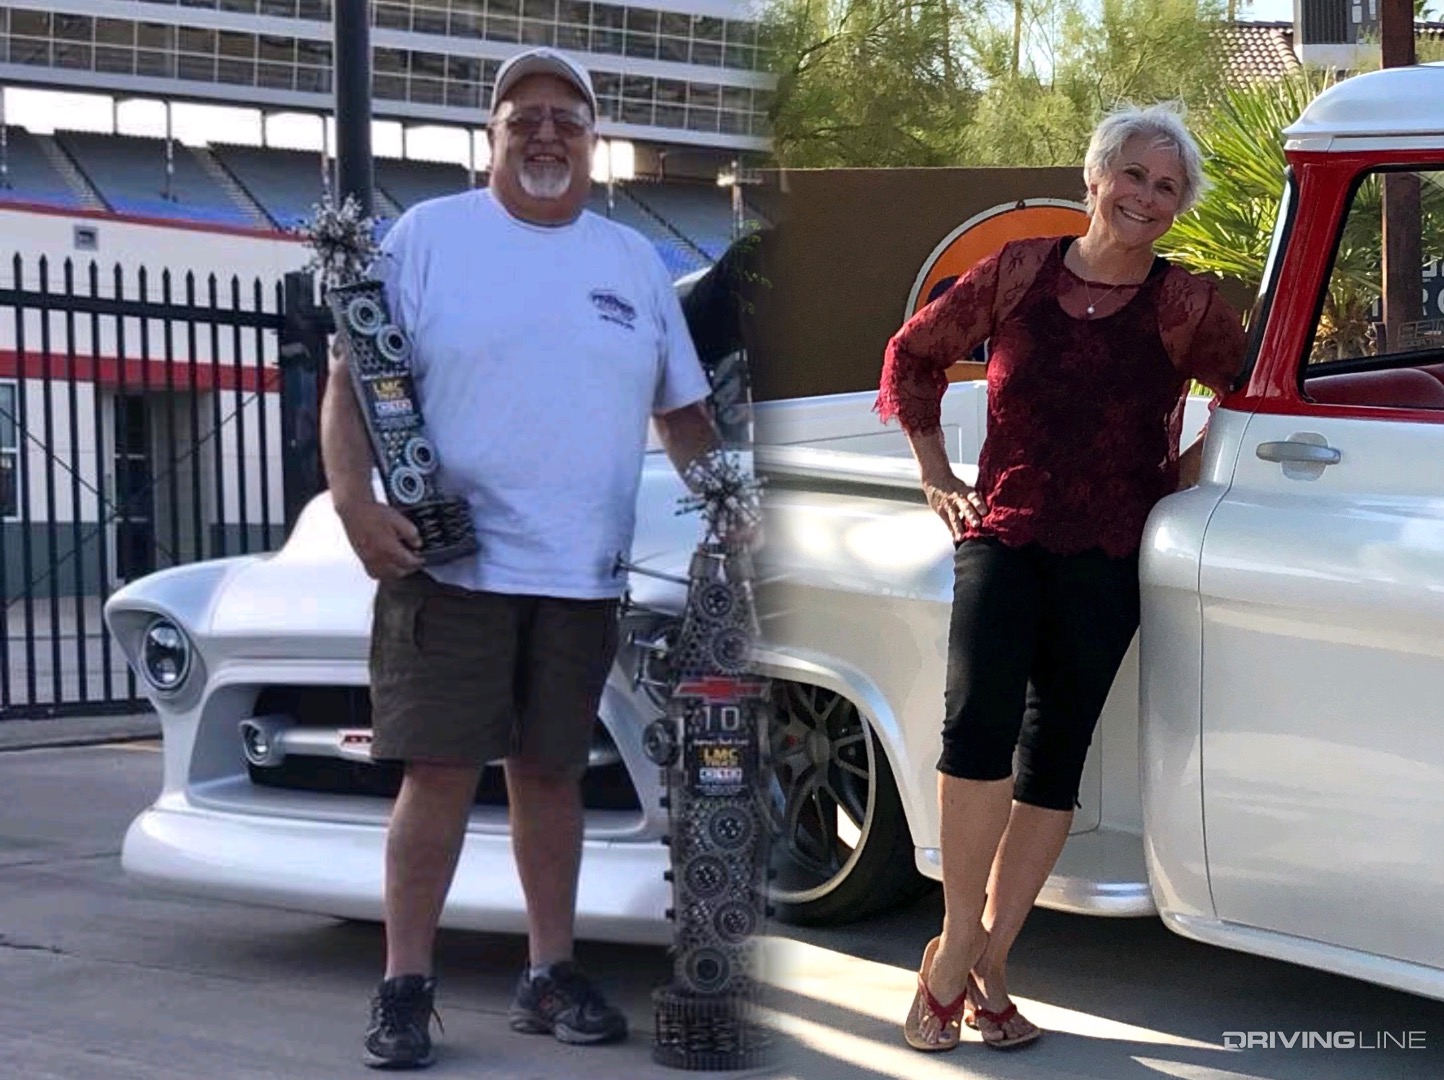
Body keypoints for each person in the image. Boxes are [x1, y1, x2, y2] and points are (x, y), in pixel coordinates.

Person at [321, 46, 718, 1070]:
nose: (546, 132)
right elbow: (355, 380)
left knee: (550, 777)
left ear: (594, 142)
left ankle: (548, 973)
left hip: (581, 573)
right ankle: (405, 987)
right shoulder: (428, 239)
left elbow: (683, 413)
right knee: (439, 776)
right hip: (451, 568)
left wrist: (730, 502)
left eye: (566, 118)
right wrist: (354, 504)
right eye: (522, 115)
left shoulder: (632, 262)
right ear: (490, 137)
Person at [876, 104, 1247, 1053]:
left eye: (1166, 188)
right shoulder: (1018, 270)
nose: (1147, 198)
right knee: (977, 733)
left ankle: (974, 969)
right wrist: (935, 478)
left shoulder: (1187, 305)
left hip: (1109, 556)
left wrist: (1184, 478)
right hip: (1002, 534)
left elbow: (1248, 398)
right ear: (1095, 177)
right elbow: (915, 356)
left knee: (1056, 756)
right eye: (1133, 175)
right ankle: (963, 951)